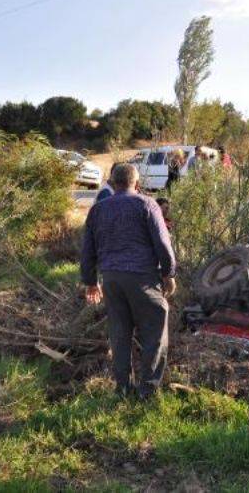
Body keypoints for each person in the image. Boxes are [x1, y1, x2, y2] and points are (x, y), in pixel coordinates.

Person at [80, 163, 177, 399]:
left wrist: (91, 282)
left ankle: (123, 389)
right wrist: (169, 273)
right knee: (154, 331)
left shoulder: (98, 210)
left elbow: (87, 251)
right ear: (137, 183)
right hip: (142, 277)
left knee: (120, 334)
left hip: (111, 279)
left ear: (113, 183)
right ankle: (148, 391)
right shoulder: (147, 204)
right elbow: (163, 245)